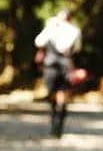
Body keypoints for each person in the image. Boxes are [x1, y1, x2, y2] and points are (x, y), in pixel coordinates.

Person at [34, 9, 82, 138]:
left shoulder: (51, 28)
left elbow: (38, 42)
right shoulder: (75, 31)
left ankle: (55, 118)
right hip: (66, 66)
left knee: (52, 93)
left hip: (50, 65)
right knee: (63, 93)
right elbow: (76, 48)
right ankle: (59, 122)